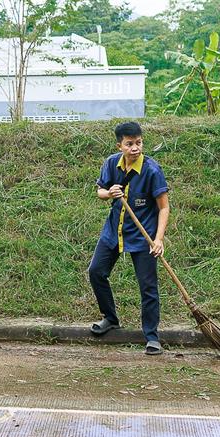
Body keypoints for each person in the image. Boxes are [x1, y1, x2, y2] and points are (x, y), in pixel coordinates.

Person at [88, 121, 170, 355]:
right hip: (114, 230)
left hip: (143, 236)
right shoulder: (112, 163)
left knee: (148, 287)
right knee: (96, 272)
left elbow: (164, 208)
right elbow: (100, 191)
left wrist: (158, 240)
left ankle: (152, 336)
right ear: (120, 145)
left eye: (138, 143)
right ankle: (110, 318)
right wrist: (109, 193)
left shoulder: (152, 170)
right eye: (129, 144)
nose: (135, 148)